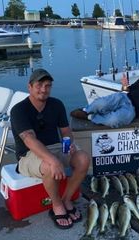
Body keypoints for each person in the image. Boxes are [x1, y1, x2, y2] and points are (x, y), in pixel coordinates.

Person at [10, 68, 91, 229]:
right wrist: (53, 160)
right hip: (29, 154)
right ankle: (57, 205)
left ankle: (67, 199)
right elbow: (30, 140)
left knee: (83, 159)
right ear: (30, 87)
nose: (44, 89)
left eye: (48, 86)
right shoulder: (19, 110)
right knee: (49, 166)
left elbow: (66, 131)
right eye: (39, 85)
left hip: (56, 147)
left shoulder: (56, 104)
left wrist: (68, 147)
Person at [70, 58, 139, 128]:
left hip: (134, 111)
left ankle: (90, 117)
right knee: (100, 104)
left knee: (113, 121)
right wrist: (125, 85)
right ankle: (85, 110)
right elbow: (128, 90)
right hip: (124, 97)